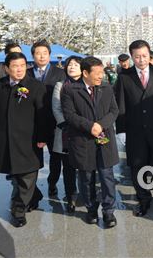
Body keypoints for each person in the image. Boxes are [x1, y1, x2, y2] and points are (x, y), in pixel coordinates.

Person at [115, 40, 153, 217]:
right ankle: (143, 199)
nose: (141, 60)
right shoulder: (124, 76)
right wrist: (121, 129)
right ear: (132, 57)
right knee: (137, 165)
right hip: (135, 130)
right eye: (137, 56)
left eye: (144, 56)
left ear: (149, 55)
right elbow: (121, 104)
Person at [0, 52, 47, 227]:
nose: (19, 69)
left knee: (28, 174)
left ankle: (18, 210)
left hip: (29, 139)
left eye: (22, 65)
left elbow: (43, 115)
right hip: (6, 138)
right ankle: (34, 195)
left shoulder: (35, 86)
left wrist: (43, 137)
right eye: (15, 66)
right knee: (15, 173)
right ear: (7, 68)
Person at [61, 56, 119, 228]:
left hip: (104, 137)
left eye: (102, 72)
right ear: (85, 73)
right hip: (83, 139)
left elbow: (114, 110)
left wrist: (100, 125)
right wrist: (89, 126)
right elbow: (69, 115)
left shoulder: (106, 88)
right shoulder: (70, 90)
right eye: (98, 73)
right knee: (86, 177)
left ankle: (109, 212)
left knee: (107, 176)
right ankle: (91, 209)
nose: (101, 76)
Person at [27, 40, 66, 198]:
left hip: (53, 123)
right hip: (32, 123)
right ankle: (31, 189)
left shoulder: (60, 73)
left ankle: (52, 183)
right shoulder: (27, 73)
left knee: (55, 158)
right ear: (33, 55)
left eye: (45, 53)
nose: (41, 56)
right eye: (38, 53)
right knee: (31, 158)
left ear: (49, 55)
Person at [51, 56, 83, 213]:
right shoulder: (60, 85)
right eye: (69, 65)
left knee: (86, 165)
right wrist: (64, 123)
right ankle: (71, 195)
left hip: (85, 131)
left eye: (75, 65)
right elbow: (56, 107)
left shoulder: (88, 83)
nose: (71, 67)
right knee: (68, 167)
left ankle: (86, 193)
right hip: (65, 131)